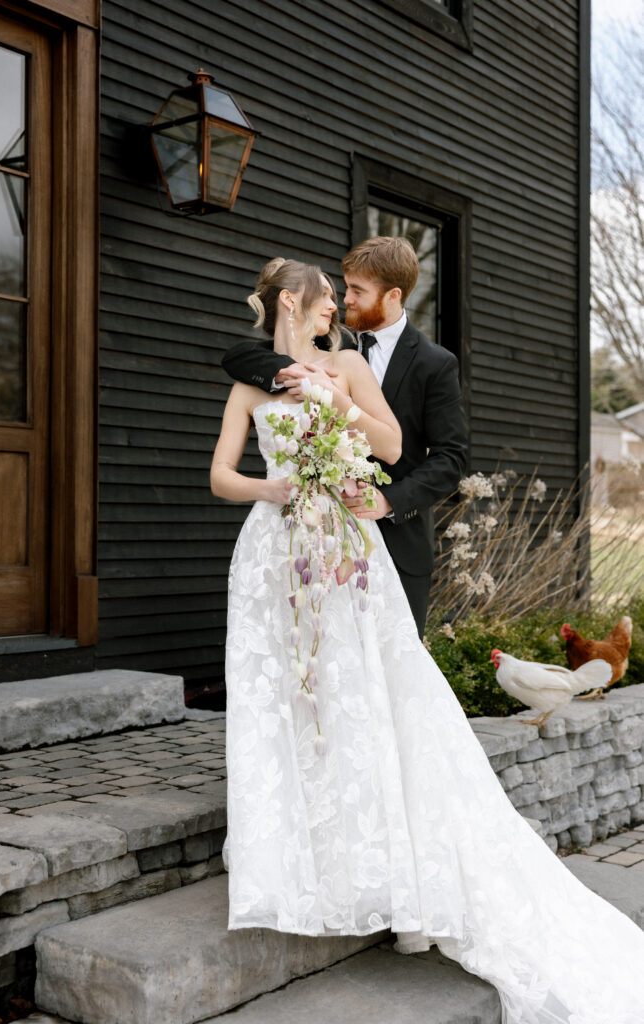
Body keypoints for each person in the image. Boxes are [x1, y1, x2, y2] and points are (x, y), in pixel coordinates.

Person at [211, 256, 644, 1024]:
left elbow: (390, 443)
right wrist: (270, 487)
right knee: (282, 697)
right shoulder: (252, 375)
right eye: (325, 301)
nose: (335, 311)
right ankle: (297, 854)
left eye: (345, 299)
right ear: (291, 302)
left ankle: (375, 857)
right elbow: (221, 474)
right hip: (273, 553)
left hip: (345, 547)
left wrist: (332, 402)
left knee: (358, 691)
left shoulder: (345, 363)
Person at [221, 236, 468, 638]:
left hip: (397, 539)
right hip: (317, 539)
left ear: (392, 296)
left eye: (357, 291)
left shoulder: (434, 364)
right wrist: (291, 374)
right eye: (344, 288)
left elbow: (451, 459)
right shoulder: (334, 345)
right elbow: (239, 356)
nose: (346, 300)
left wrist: (390, 500)